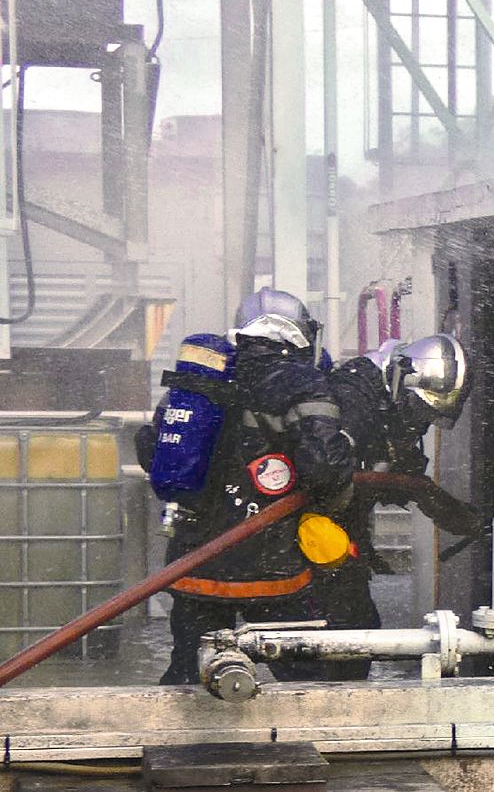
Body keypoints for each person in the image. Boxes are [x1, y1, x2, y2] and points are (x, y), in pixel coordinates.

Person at [136, 289, 354, 684]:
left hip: (195, 562)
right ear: (301, 333)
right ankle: (310, 722)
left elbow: (151, 449)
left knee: (190, 672)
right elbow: (323, 468)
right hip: (273, 567)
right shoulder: (304, 383)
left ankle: (182, 723)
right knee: (303, 676)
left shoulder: (199, 380)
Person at [318, 334, 472, 678]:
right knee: (345, 627)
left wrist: (443, 505)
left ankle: (340, 693)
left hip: (344, 531)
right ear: (405, 380)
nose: (420, 420)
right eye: (420, 410)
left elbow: (399, 469)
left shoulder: (388, 400)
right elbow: (330, 473)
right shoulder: (355, 395)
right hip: (321, 532)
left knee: (355, 625)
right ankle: (330, 696)